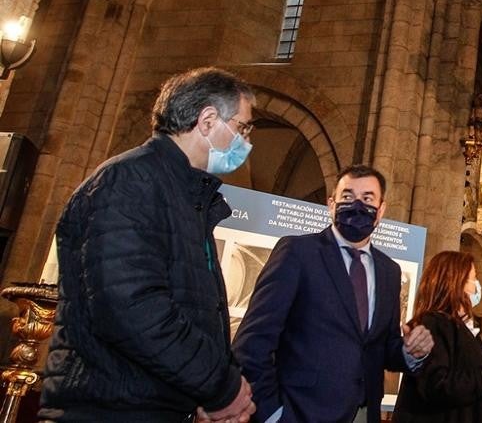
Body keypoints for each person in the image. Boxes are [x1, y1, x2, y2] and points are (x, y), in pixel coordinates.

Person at [40, 67, 257, 422]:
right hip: (111, 410)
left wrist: (200, 395)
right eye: (243, 127)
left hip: (155, 406)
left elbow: (189, 307)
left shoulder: (185, 194)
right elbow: (130, 307)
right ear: (207, 120)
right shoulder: (129, 180)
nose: (246, 141)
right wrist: (220, 386)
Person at [233, 165, 434, 423]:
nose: (358, 205)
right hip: (301, 412)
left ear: (381, 210)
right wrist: (273, 414)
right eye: (348, 197)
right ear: (331, 204)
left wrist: (412, 352)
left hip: (363, 413)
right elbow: (253, 341)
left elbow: (382, 346)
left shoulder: (389, 271)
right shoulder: (298, 252)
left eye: (368, 199)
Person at [392, 251, 482, 423]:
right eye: (473, 279)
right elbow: (436, 385)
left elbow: (466, 377)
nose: (476, 286)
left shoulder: (463, 328)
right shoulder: (432, 324)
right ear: (455, 282)